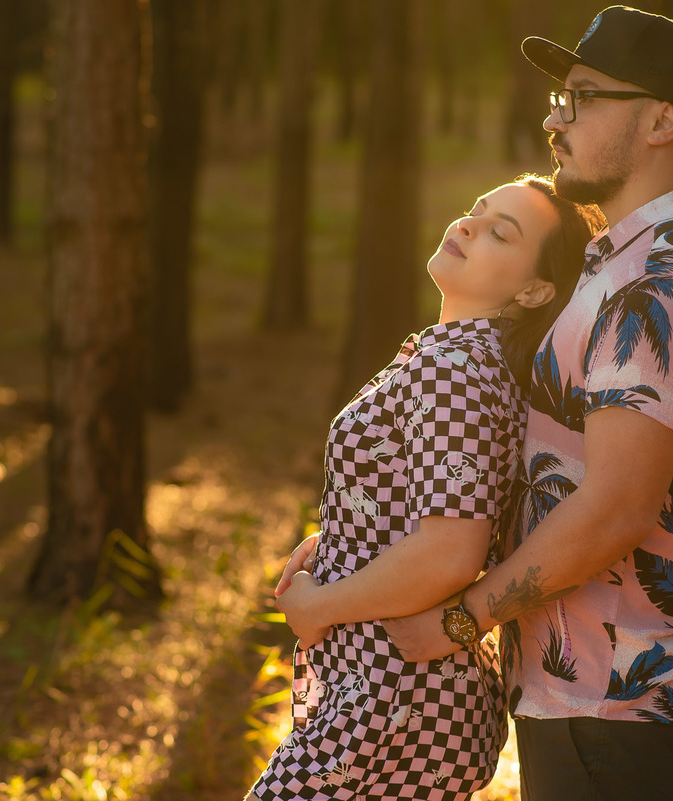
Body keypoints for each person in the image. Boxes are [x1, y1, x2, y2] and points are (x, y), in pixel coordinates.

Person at [377, 7, 673, 801]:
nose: (555, 119)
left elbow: (616, 507)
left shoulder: (662, 281)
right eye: (560, 98)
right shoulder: (620, 262)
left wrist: (463, 618)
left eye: (583, 98)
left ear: (661, 122)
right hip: (583, 696)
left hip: (611, 707)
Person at [245, 176, 600, 801]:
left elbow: (450, 553)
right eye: (475, 211)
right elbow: (427, 502)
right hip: (394, 692)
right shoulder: (463, 360)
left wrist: (317, 607)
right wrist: (339, 537)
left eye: (500, 233)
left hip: (395, 697)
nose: (467, 225)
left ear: (534, 289)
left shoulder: (453, 371)